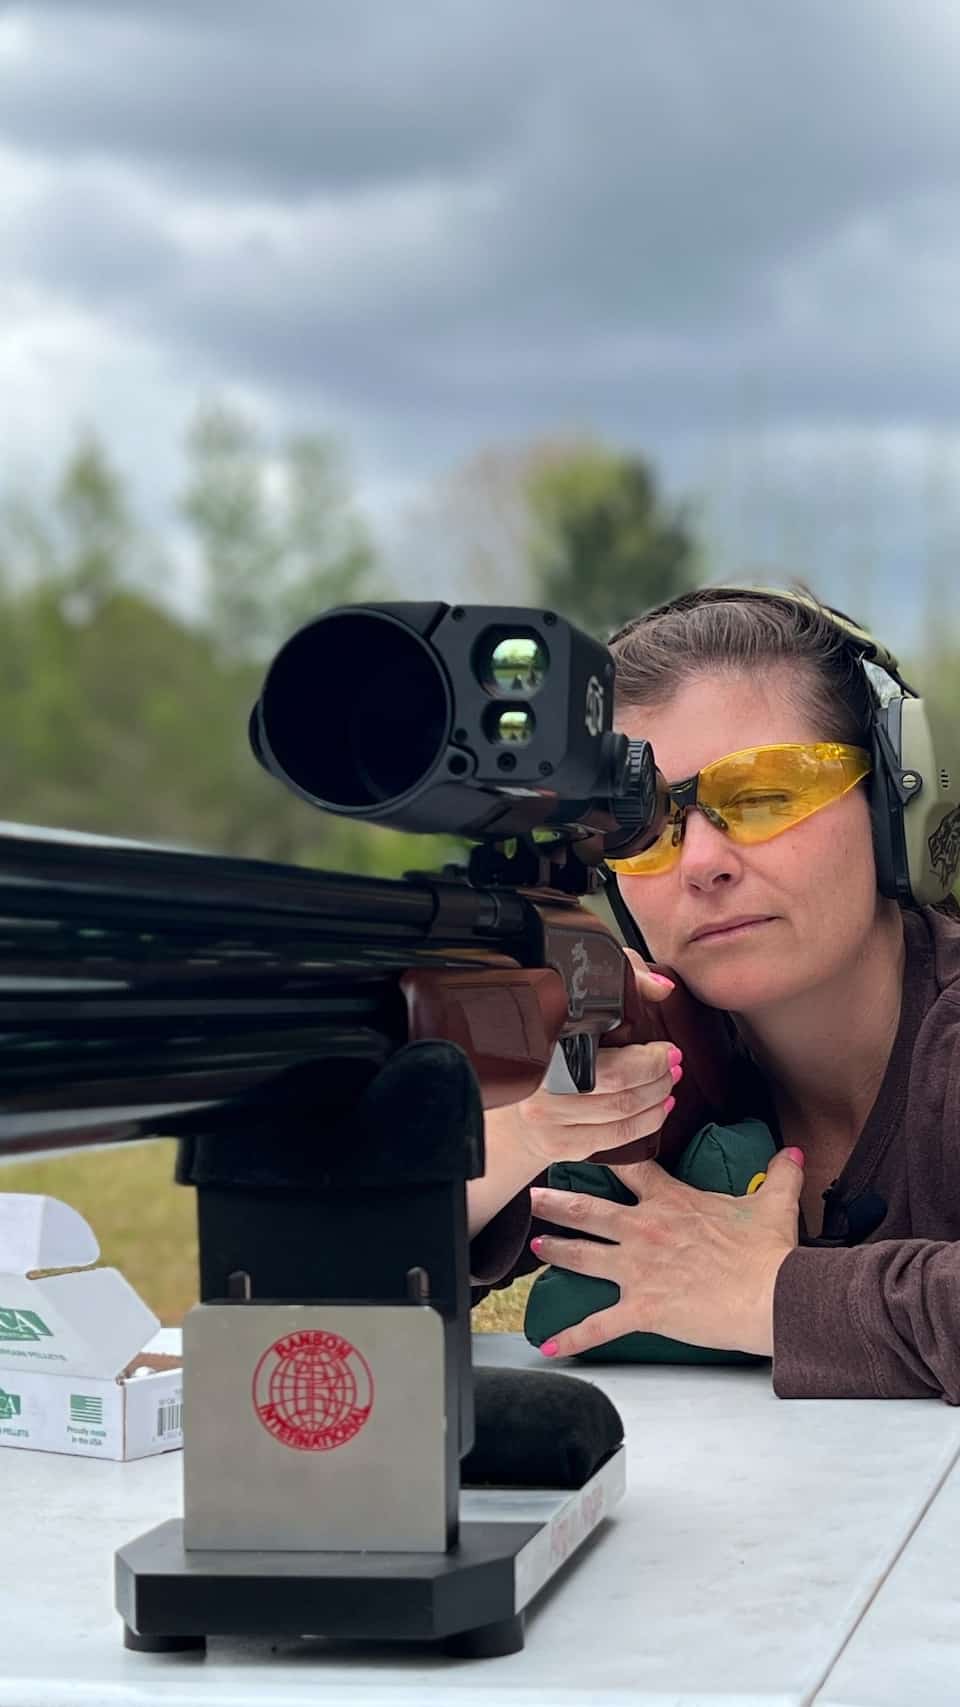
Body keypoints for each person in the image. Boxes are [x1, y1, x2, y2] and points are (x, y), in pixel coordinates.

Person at [467, 584, 960, 1402]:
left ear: (892, 803)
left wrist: (767, 1294)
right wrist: (508, 1141)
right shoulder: (645, 1042)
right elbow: (336, 1295)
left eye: (763, 795)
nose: (701, 862)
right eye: (644, 825)